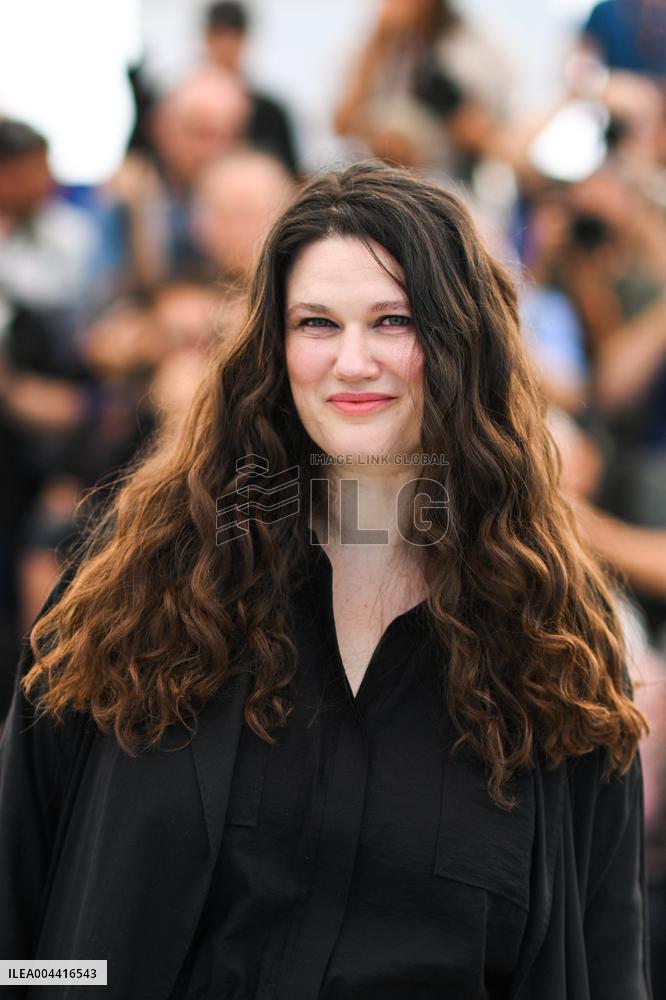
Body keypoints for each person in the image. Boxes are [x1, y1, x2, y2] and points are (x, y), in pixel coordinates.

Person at [0, 162, 653, 999]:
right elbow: (19, 902)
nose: (353, 361)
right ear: (274, 346)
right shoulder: (137, 586)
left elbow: (603, 965)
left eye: (393, 321)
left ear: (460, 344)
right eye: (317, 323)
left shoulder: (555, 644)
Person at [203, 0, 300, 176]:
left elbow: (292, 174)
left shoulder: (271, 112)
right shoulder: (187, 113)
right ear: (207, 39)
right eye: (219, 35)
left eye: (233, 36)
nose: (225, 47)